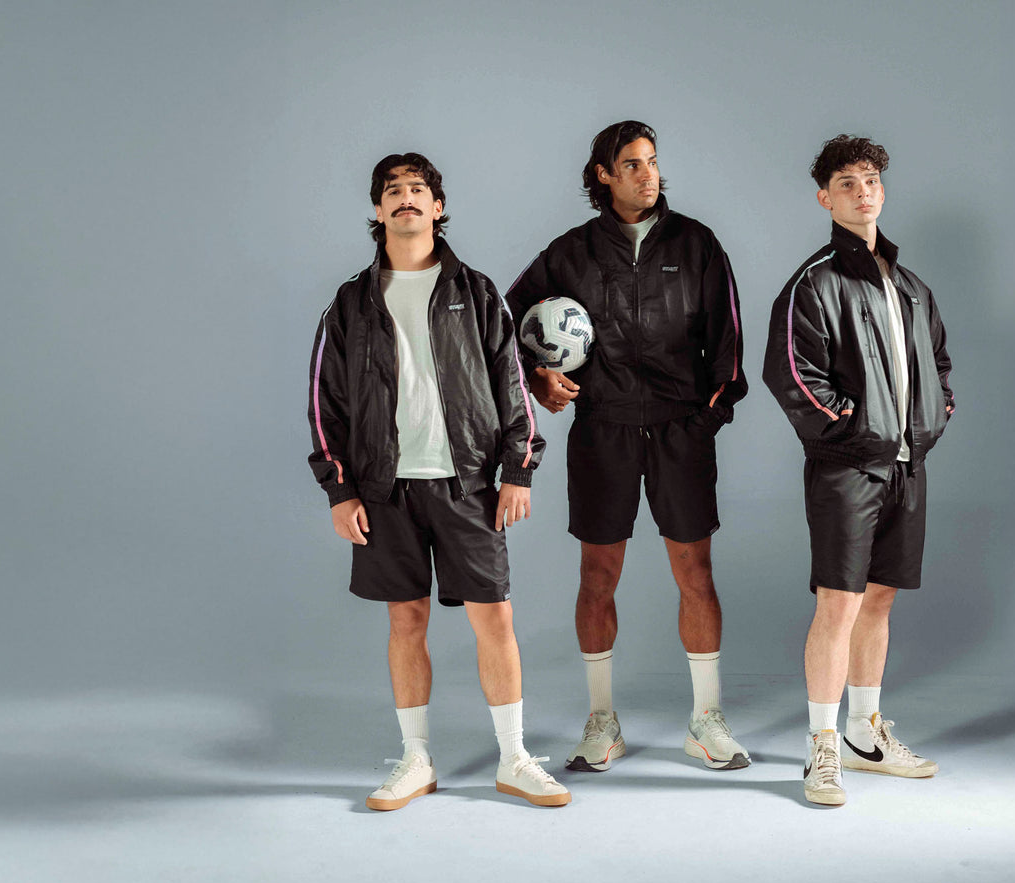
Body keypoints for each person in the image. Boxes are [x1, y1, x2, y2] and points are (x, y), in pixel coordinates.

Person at [307, 152, 569, 810]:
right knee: (406, 621)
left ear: (438, 207)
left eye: (417, 189)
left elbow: (512, 385)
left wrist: (519, 470)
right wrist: (339, 490)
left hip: (469, 483)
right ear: (376, 211)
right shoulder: (351, 303)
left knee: (495, 619)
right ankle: (415, 760)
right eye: (391, 191)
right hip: (384, 489)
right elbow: (323, 404)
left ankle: (513, 758)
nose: (405, 199)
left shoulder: (476, 293)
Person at [506, 121, 750, 772]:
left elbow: (728, 344)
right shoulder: (571, 252)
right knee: (597, 576)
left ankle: (705, 720)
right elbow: (501, 320)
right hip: (603, 426)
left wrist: (706, 420)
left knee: (694, 575)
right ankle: (600, 722)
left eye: (653, 162)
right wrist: (538, 378)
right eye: (632, 164)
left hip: (678, 427)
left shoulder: (696, 244)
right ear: (602, 176)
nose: (648, 174)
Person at [762, 134, 955, 806]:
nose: (861, 190)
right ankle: (820, 747)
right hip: (847, 467)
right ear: (825, 198)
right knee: (837, 604)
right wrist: (853, 427)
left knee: (879, 600)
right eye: (845, 181)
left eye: (869, 178)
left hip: (906, 465)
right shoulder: (813, 282)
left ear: (882, 190)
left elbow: (938, 364)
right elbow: (789, 373)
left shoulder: (908, 285)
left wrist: (933, 417)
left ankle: (865, 736)